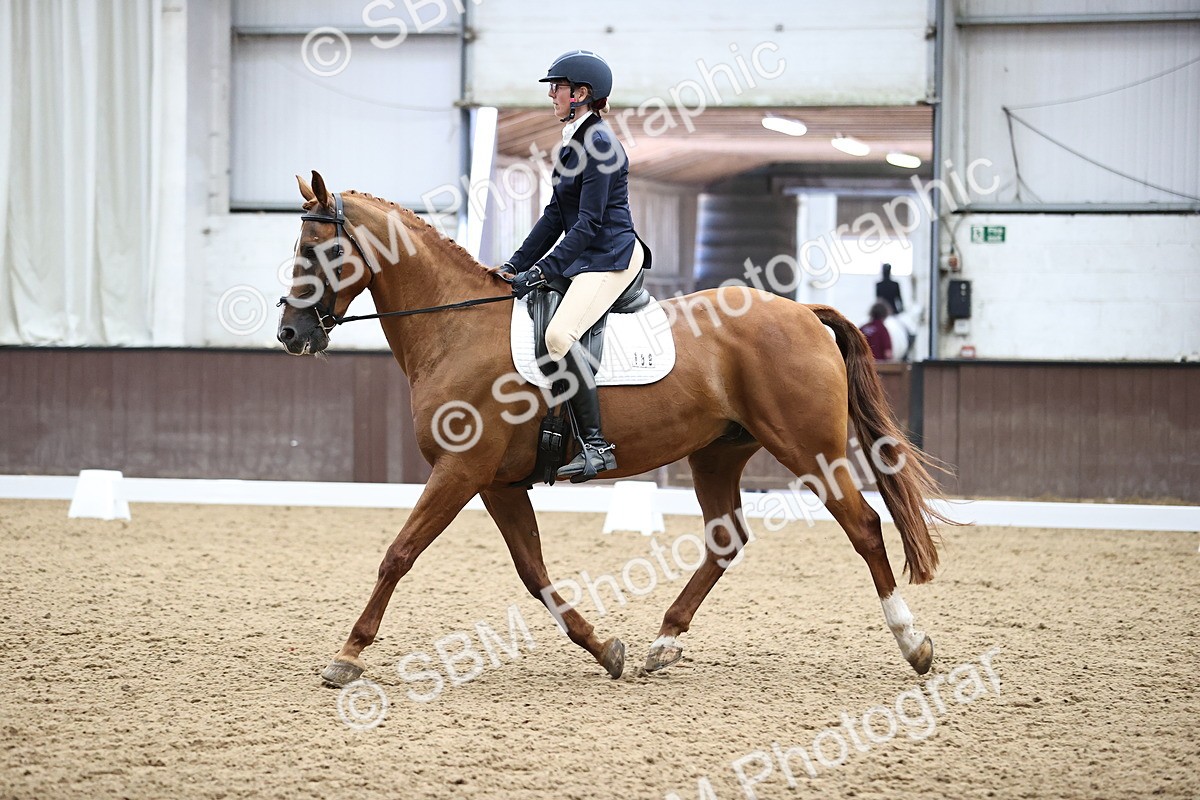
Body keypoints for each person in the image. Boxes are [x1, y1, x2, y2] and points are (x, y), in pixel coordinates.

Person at [502, 50, 648, 483]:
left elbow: (589, 223)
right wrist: (515, 265)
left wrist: (544, 271)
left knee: (559, 335)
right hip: (587, 253)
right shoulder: (574, 139)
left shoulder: (599, 143)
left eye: (558, 87)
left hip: (611, 255)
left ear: (581, 94)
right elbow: (554, 216)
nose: (551, 94)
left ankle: (597, 445)